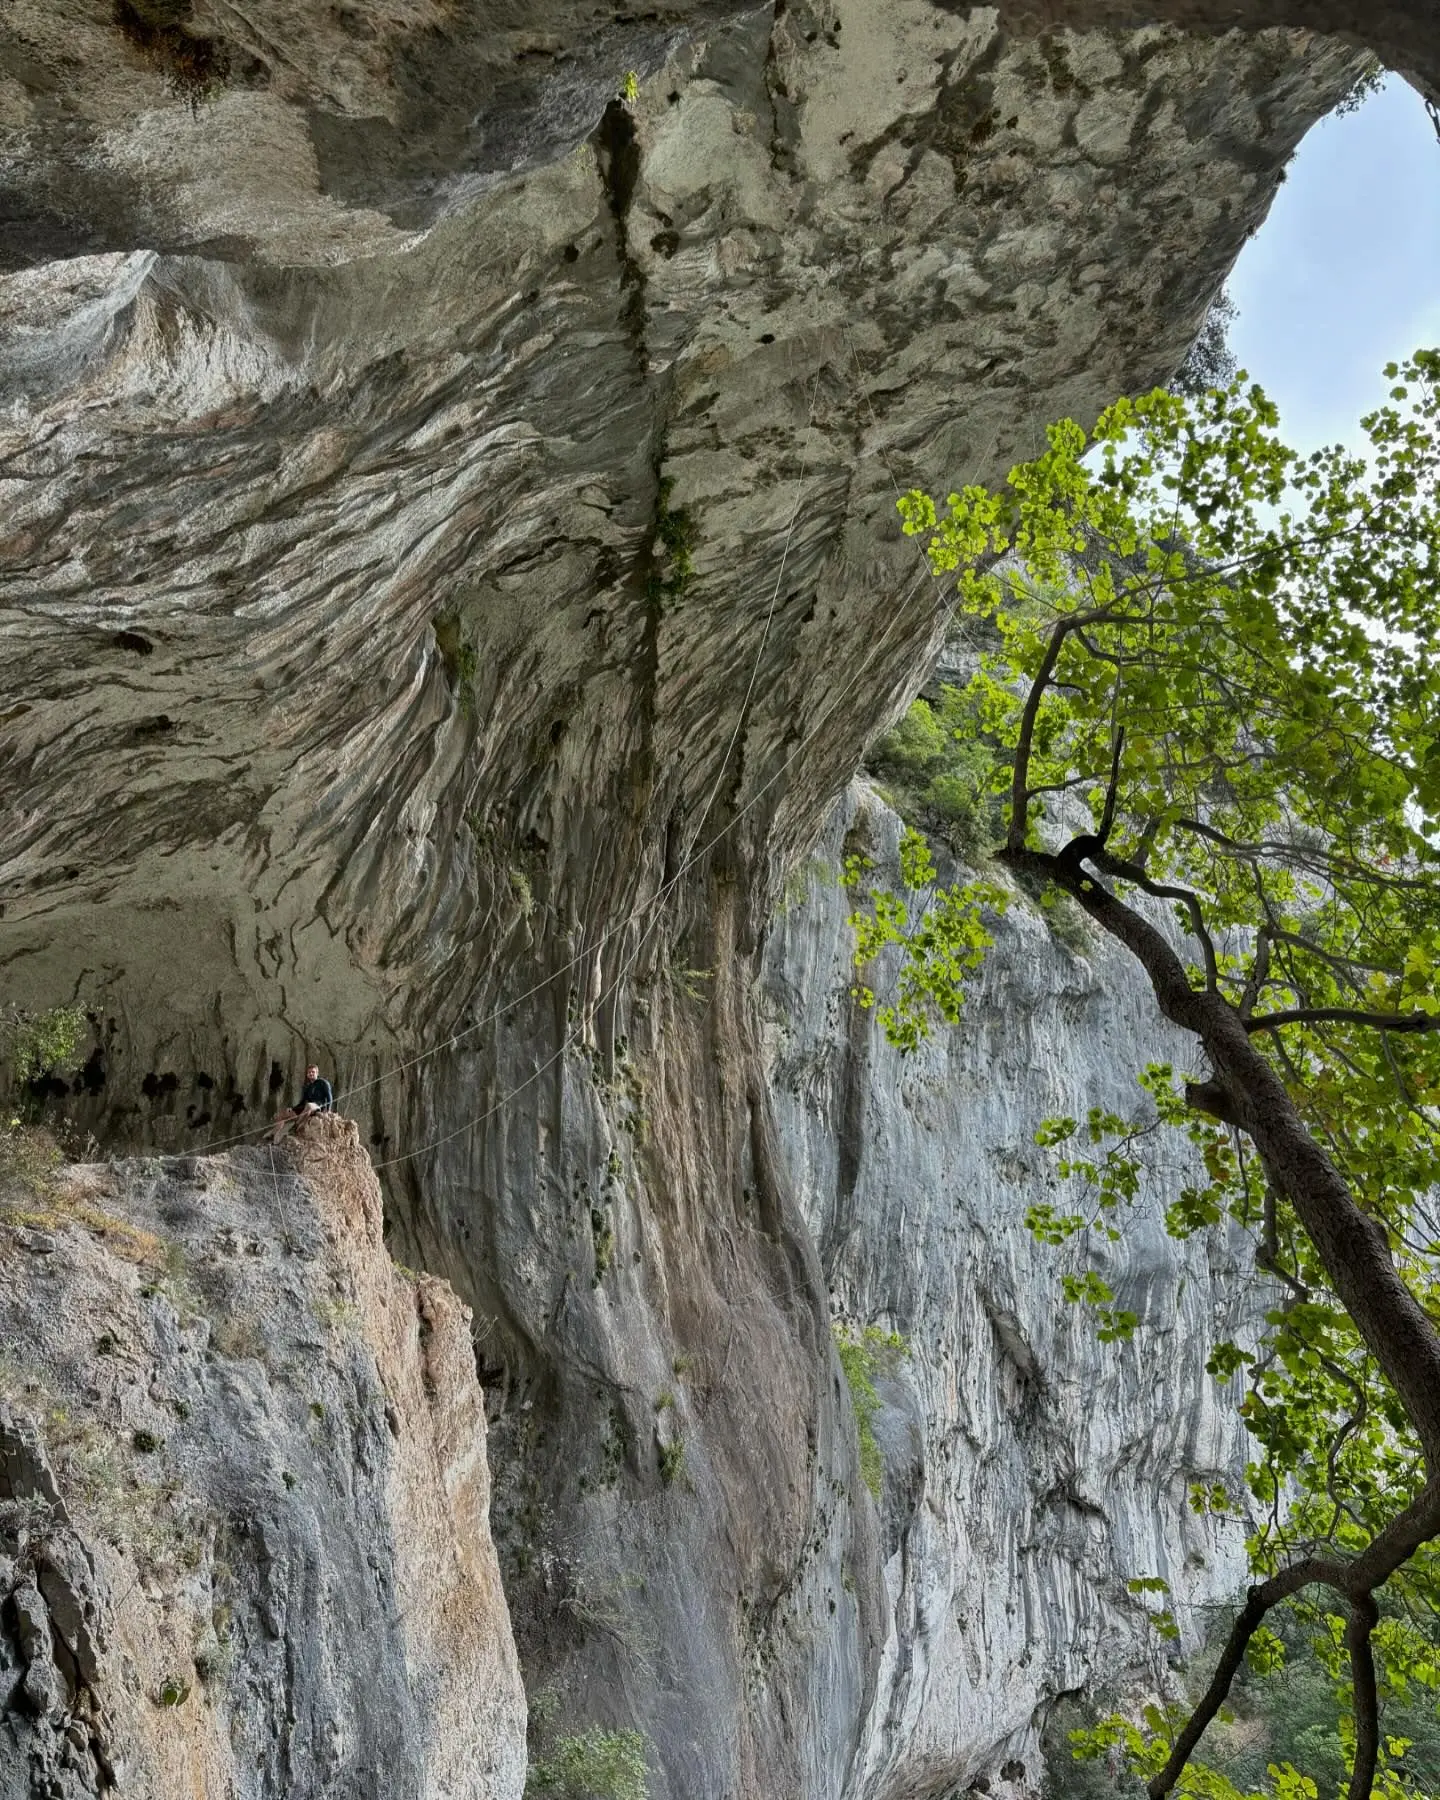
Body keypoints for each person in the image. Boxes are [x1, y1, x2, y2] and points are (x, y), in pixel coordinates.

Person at [271, 1063, 334, 1142]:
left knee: (309, 1106)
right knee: (282, 1114)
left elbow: (329, 1097)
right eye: (309, 1072)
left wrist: (328, 1110)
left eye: (313, 1072)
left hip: (318, 1106)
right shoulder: (307, 1087)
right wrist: (292, 1109)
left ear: (317, 1073)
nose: (311, 1073)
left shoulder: (323, 1083)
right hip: (306, 1108)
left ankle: (295, 1127)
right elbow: (302, 1102)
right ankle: (274, 1133)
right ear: (307, 1074)